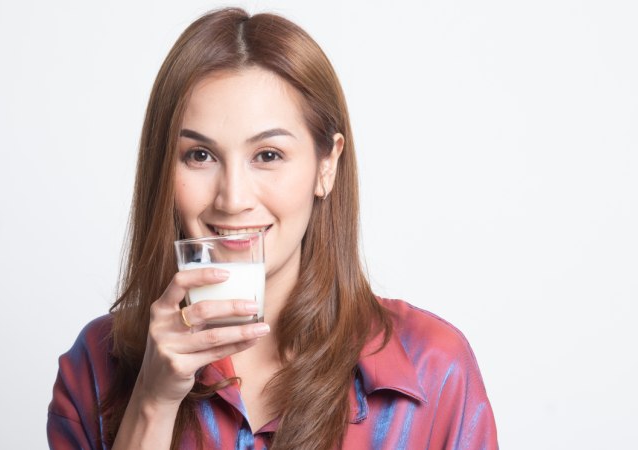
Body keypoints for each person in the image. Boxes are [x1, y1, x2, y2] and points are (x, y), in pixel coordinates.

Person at [47, 7, 498, 450]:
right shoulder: (94, 367)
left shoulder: (435, 368)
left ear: (327, 165)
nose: (233, 198)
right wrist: (153, 402)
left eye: (268, 155)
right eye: (200, 156)